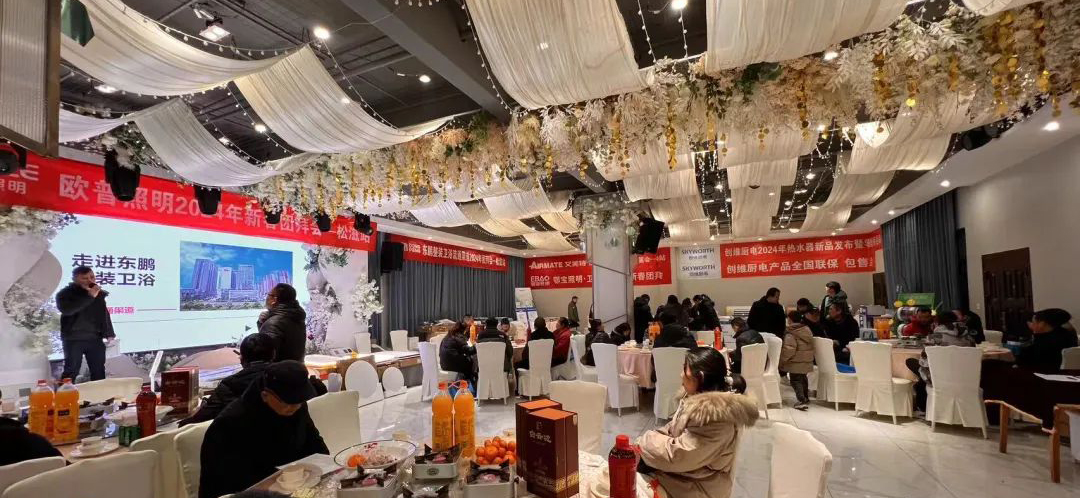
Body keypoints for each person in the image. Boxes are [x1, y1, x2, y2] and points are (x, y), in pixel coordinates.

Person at [636, 347, 757, 498]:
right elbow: (672, 429)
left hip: (697, 487)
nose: (681, 375)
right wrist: (648, 442)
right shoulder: (695, 400)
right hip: (682, 477)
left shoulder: (715, 418)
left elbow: (678, 456)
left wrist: (644, 442)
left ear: (700, 377)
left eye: (684, 369)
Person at [199, 361, 329, 498]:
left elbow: (315, 444)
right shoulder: (230, 424)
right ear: (265, 396)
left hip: (297, 488)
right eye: (287, 402)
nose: (295, 407)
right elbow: (225, 485)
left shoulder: (296, 407)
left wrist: (327, 471)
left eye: (299, 401)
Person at [181, 333, 277, 426]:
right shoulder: (282, 378)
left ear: (241, 359)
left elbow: (197, 421)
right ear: (274, 354)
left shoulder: (229, 386)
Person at [56, 266, 116, 381]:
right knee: (71, 370)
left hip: (95, 338)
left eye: (92, 277)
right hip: (73, 339)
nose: (90, 280)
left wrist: (109, 333)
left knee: (98, 370)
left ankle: (99, 393)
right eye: (84, 278)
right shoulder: (65, 293)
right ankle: (64, 392)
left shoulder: (98, 293)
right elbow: (68, 310)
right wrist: (90, 296)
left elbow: (104, 313)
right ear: (75, 279)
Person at [1016, 308, 1079, 373]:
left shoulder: (1046, 341)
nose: (1031, 325)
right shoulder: (1067, 334)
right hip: (1067, 374)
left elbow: (1028, 360)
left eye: (1033, 322)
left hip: (1047, 374)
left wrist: (1036, 332)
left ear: (1042, 324)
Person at [258, 283, 306, 362]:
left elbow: (266, 356)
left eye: (268, 294)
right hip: (296, 367)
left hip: (278, 369)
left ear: (274, 299)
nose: (266, 298)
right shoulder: (296, 316)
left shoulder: (273, 323)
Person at [780, 311, 815, 410]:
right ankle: (806, 397)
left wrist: (782, 360)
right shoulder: (806, 330)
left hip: (796, 361)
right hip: (806, 360)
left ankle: (801, 400)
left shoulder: (791, 332)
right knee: (803, 378)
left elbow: (789, 349)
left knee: (795, 380)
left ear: (790, 319)